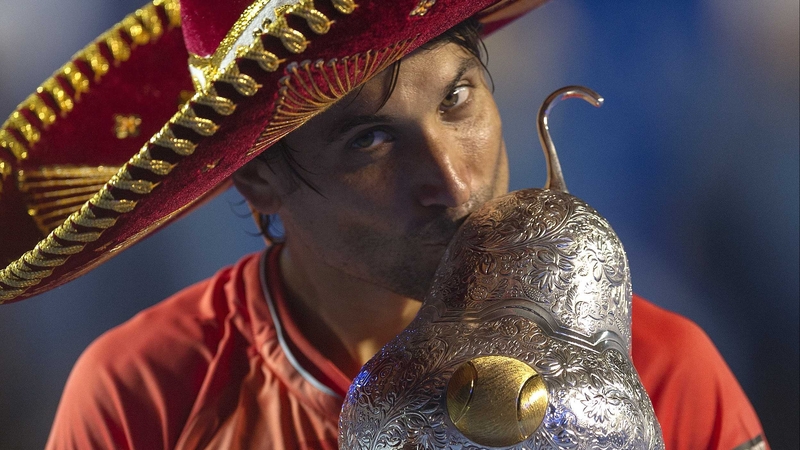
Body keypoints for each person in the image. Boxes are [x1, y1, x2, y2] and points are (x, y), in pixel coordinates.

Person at [0, 1, 767, 449]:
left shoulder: (662, 372)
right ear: (260, 178)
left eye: (457, 99)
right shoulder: (146, 395)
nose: (453, 181)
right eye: (369, 140)